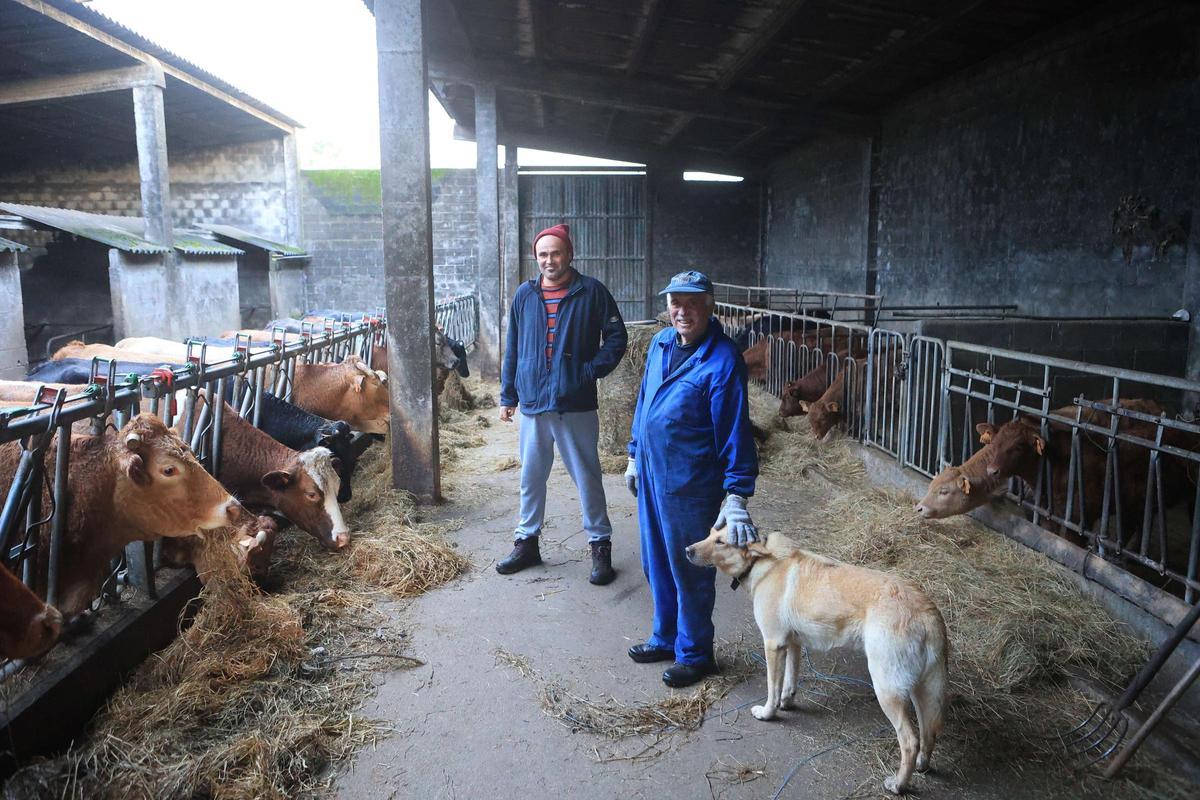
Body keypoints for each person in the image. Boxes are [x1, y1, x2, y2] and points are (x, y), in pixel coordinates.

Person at [624, 270, 759, 688]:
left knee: (690, 569)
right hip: (650, 473)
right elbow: (644, 400)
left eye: (693, 303)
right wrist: (633, 454)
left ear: (710, 305)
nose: (683, 311)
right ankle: (666, 637)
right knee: (655, 562)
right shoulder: (662, 342)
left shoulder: (722, 360)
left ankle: (696, 653)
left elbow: (735, 430)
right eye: (675, 303)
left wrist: (736, 494)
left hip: (690, 482)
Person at [497, 223, 628, 585]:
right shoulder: (525, 295)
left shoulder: (592, 292)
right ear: (535, 257)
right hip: (535, 401)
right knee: (531, 477)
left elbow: (617, 337)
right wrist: (509, 395)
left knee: (587, 476)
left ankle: (600, 546)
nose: (549, 260)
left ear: (569, 254)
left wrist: (589, 371)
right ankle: (527, 543)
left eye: (556, 253)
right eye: (543, 254)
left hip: (576, 402)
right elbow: (514, 348)